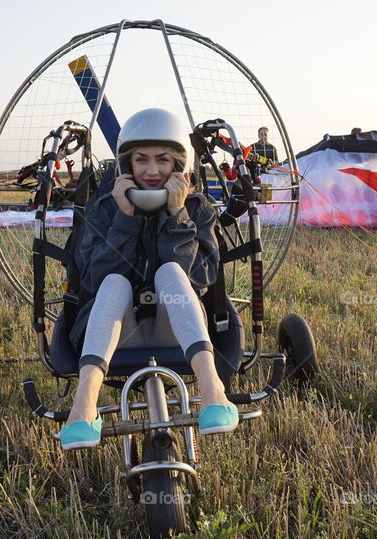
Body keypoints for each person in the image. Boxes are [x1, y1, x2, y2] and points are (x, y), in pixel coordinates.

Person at [59, 108, 239, 450]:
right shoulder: (104, 208)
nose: (153, 171)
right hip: (113, 329)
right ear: (127, 164)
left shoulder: (197, 209)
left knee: (170, 272)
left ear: (179, 165)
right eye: (142, 160)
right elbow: (93, 281)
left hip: (177, 328)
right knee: (114, 282)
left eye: (163, 160)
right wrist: (124, 219)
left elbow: (200, 279)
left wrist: (176, 217)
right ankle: (84, 405)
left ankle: (213, 390)